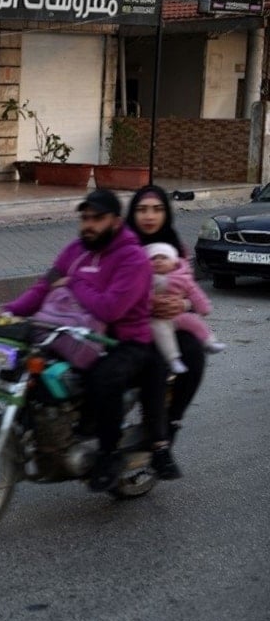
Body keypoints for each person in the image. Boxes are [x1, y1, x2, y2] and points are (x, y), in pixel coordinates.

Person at [0, 189, 180, 491]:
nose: (89, 225)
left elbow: (111, 308)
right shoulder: (73, 251)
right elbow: (44, 287)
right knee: (33, 369)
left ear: (116, 222)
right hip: (74, 335)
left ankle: (108, 454)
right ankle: (46, 435)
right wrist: (9, 311)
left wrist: (77, 282)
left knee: (103, 377)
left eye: (97, 218)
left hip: (124, 341)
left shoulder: (133, 259)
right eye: (85, 218)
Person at [126, 185, 207, 444]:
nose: (149, 216)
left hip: (170, 322)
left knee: (194, 354)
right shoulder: (123, 244)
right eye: (142, 210)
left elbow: (190, 291)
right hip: (132, 325)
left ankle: (171, 422)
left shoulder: (175, 247)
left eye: (157, 210)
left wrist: (181, 306)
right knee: (155, 365)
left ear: (167, 214)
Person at [145, 242, 226, 374]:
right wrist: (152, 303)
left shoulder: (182, 277)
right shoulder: (146, 278)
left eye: (163, 258)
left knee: (194, 321)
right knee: (162, 333)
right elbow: (140, 294)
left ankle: (209, 342)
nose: (158, 261)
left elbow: (195, 292)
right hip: (157, 318)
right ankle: (173, 359)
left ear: (173, 262)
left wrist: (202, 307)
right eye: (153, 258)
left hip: (178, 314)